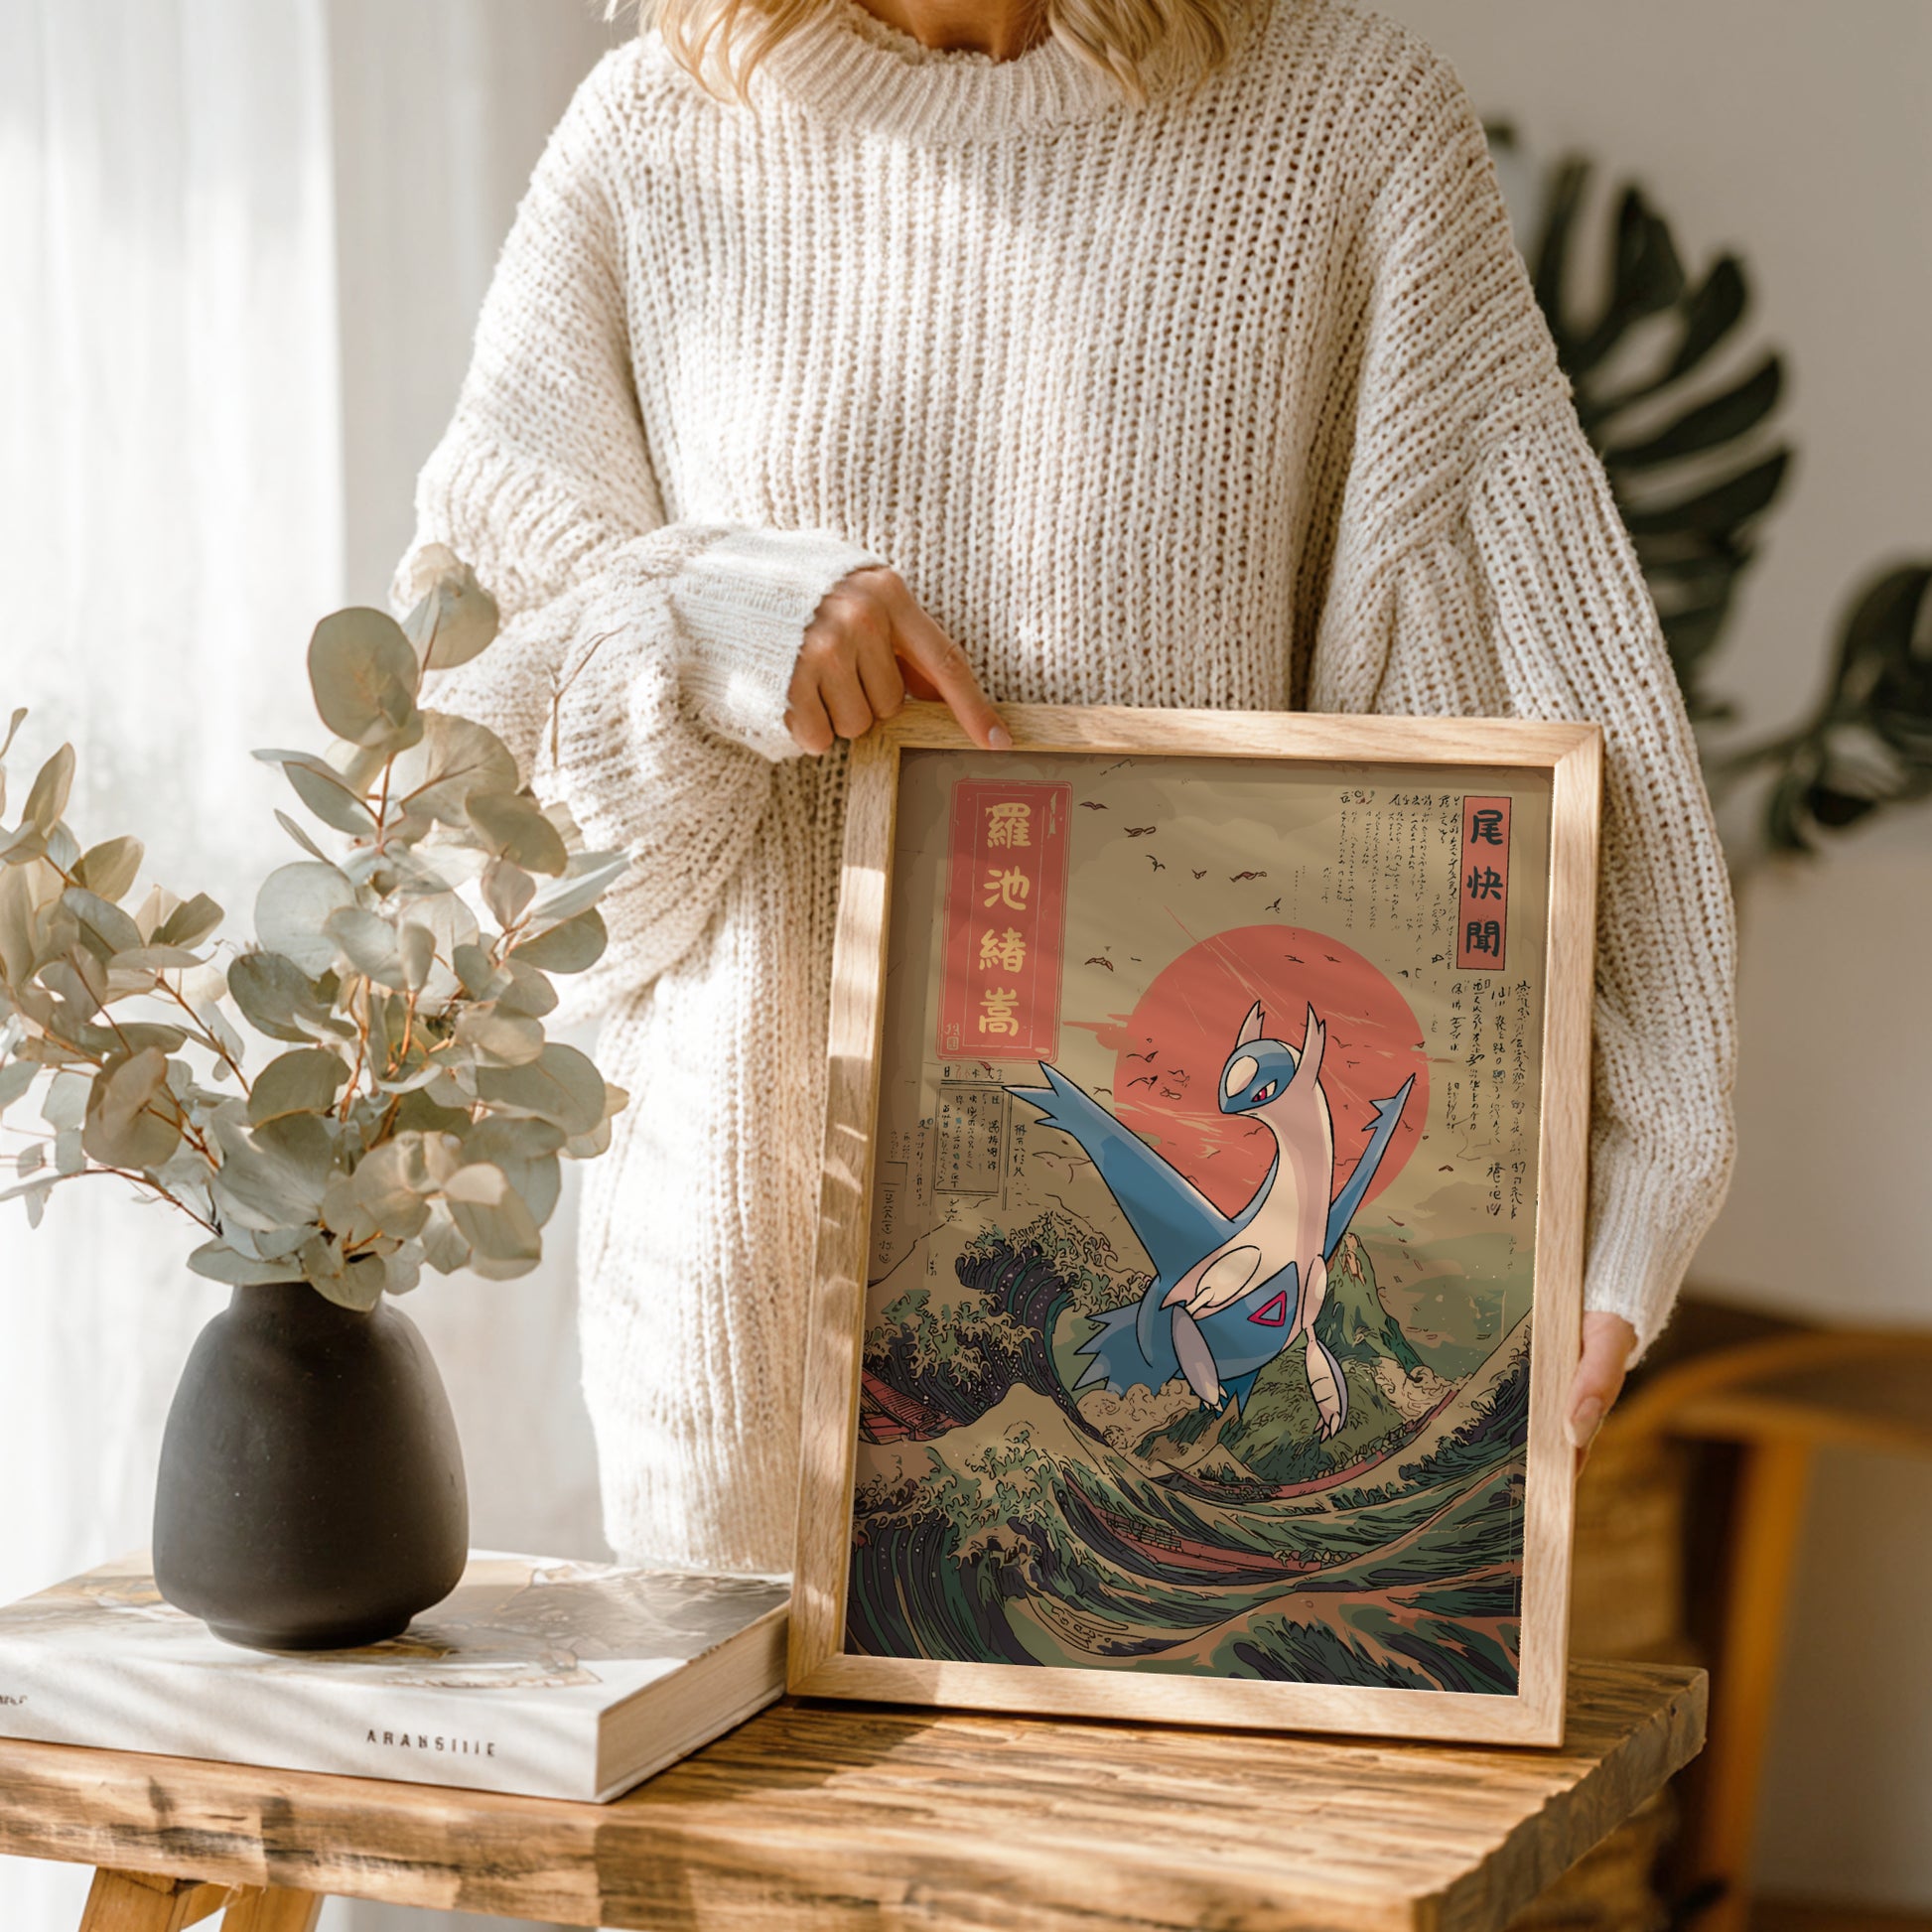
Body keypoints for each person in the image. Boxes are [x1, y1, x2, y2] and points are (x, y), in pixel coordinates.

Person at [393, 0, 1736, 1576]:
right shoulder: (650, 141)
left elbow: (1522, 699)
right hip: (737, 1348)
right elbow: (465, 820)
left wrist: (1627, 1172)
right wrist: (707, 621)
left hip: (1184, 1443)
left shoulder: (1343, 129)